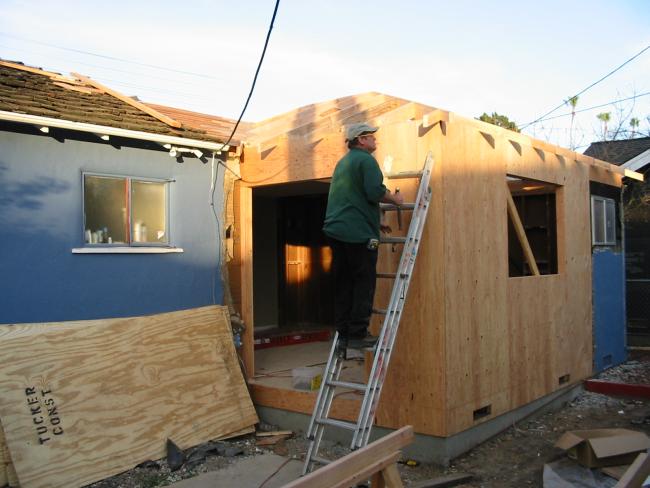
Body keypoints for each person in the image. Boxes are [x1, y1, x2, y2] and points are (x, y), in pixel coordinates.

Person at [323, 123, 404, 353]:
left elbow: (352, 198)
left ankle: (343, 336)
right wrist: (396, 200)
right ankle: (358, 334)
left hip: (337, 230)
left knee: (344, 282)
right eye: (371, 137)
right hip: (357, 234)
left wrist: (374, 220)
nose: (375, 141)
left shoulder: (344, 162)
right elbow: (373, 192)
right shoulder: (366, 161)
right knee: (363, 281)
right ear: (361, 140)